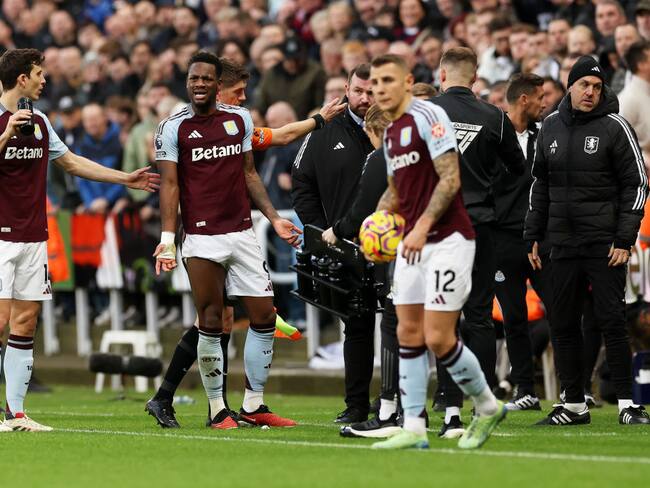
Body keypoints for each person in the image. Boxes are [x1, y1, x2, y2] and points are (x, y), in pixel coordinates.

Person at [146, 57, 344, 429]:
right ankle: (217, 409)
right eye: (194, 78)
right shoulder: (172, 128)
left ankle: (252, 405)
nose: (200, 84)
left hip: (242, 233)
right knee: (211, 321)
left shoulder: (239, 119)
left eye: (207, 78)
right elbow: (169, 185)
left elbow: (252, 169)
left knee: (264, 315)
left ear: (215, 83)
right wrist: (167, 240)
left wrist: (274, 218)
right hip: (203, 237)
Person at [0, 48, 159, 433]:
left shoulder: (40, 121)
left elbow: (70, 162)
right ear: (21, 78)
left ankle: (16, 414)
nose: (43, 79)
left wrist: (125, 179)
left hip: (34, 235)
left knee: (26, 321)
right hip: (0, 237)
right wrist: (4, 135)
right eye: (38, 73)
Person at [367, 54, 506, 450]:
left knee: (438, 337)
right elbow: (397, 190)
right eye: (375, 82)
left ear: (408, 81)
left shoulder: (430, 117)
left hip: (449, 240)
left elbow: (450, 179)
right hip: (413, 242)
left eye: (387, 80)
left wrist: (423, 226)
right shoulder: (392, 132)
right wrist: (376, 222)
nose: (379, 88)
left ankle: (487, 405)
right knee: (406, 331)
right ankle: (413, 426)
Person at [525, 55, 650, 426]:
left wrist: (624, 238)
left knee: (611, 321)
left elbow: (637, 185)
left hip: (605, 244)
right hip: (561, 243)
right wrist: (533, 234)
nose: (591, 92)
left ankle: (629, 404)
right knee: (562, 322)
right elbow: (540, 186)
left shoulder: (615, 127)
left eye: (597, 87)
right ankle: (574, 404)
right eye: (584, 85)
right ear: (570, 85)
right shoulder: (549, 128)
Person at [429, 47, 524, 438]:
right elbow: (518, 168)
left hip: (438, 225)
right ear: (474, 78)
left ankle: (449, 412)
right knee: (480, 316)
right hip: (481, 223)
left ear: (441, 74)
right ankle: (481, 407)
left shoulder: (424, 114)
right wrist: (486, 193)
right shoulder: (495, 117)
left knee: (443, 316)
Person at [291, 63, 375, 424]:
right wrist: (325, 233)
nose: (365, 99)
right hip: (345, 245)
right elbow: (301, 184)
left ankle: (399, 402)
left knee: (402, 326)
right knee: (356, 326)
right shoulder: (323, 130)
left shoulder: (400, 126)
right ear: (347, 87)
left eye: (372, 91)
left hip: (394, 242)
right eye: (359, 91)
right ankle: (357, 404)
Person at [493, 73, 549, 411]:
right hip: (503, 240)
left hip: (541, 241)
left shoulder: (546, 137)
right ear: (524, 99)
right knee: (513, 316)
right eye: (540, 97)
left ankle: (577, 392)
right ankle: (525, 390)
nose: (545, 103)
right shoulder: (492, 137)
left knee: (561, 311)